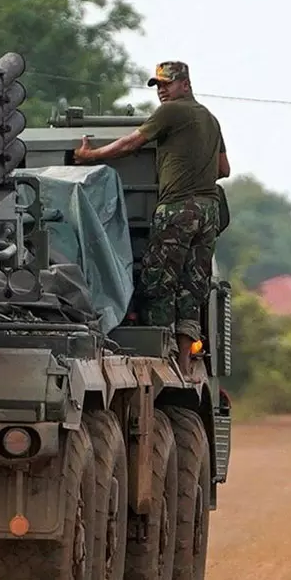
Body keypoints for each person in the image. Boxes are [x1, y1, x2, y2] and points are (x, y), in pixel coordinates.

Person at [73, 60, 229, 377]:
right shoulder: (210, 119)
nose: (161, 91)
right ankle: (184, 361)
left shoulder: (171, 111)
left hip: (177, 208)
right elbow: (224, 169)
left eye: (167, 84)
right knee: (192, 286)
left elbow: (132, 143)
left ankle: (163, 358)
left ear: (185, 84)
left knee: (158, 282)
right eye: (158, 85)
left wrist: (91, 156)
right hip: (208, 211)